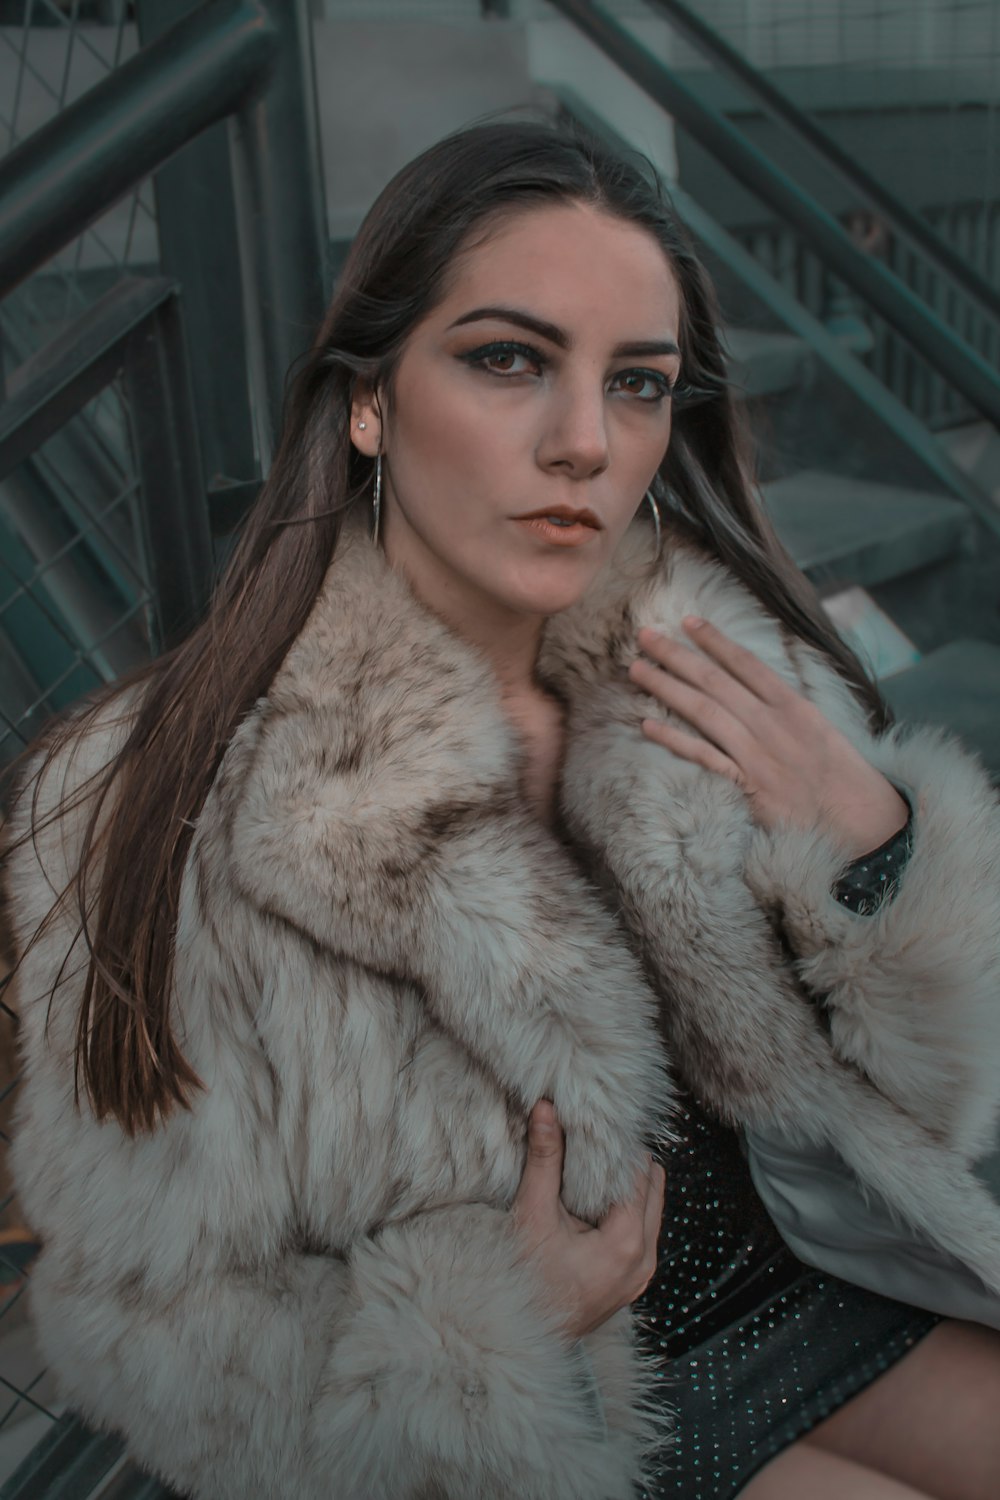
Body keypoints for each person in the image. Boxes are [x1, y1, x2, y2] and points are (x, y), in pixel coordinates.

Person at [4, 117, 1000, 1500]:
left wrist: (879, 854)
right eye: (508, 360)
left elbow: (929, 1105)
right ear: (368, 399)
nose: (586, 443)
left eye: (638, 384)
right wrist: (472, 1344)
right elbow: (153, 1324)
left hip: (820, 1290)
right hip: (572, 1400)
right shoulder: (156, 796)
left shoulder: (714, 666)